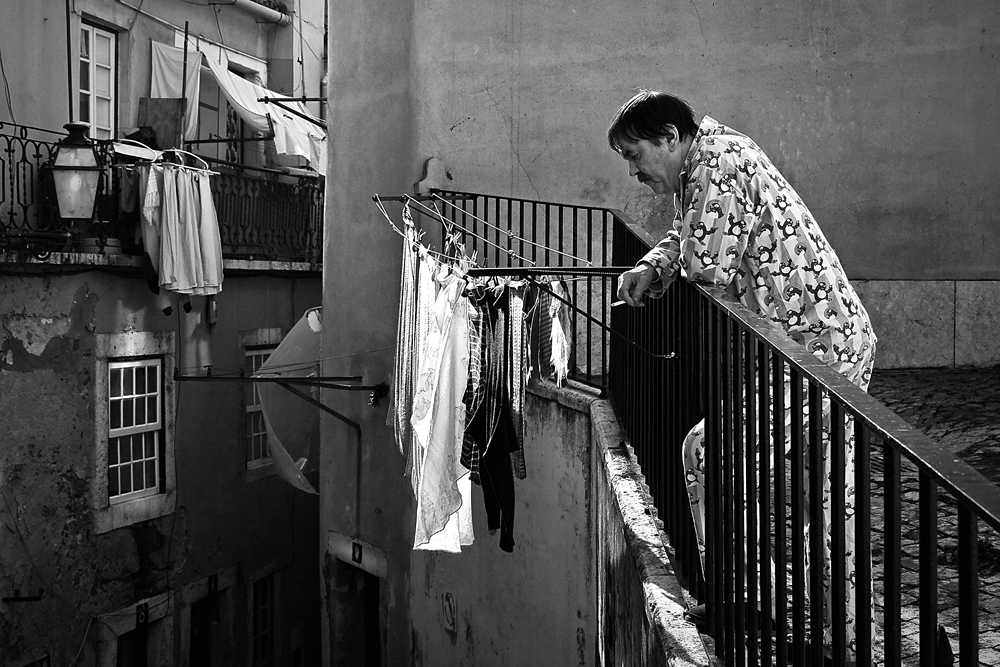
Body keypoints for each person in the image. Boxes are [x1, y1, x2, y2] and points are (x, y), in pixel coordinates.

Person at [611, 90, 877, 661]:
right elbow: (689, 236)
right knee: (826, 501)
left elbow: (707, 264)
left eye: (634, 154)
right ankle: (845, 640)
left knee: (708, 455)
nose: (633, 171)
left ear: (669, 138)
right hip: (823, 343)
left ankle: (751, 605)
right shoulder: (706, 163)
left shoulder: (717, 162)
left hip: (815, 353)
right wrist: (652, 265)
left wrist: (667, 268)